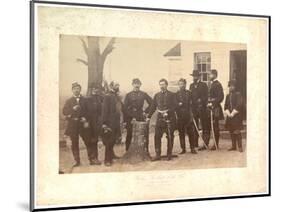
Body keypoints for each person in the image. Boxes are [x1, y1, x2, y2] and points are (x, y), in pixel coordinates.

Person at [62, 82, 91, 167]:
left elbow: (90, 112)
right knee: (74, 143)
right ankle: (77, 161)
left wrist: (86, 119)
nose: (76, 90)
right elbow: (64, 112)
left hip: (83, 124)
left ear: (80, 89)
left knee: (88, 141)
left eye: (78, 88)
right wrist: (72, 109)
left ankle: (91, 159)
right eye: (74, 89)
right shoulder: (69, 101)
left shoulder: (85, 100)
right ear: (72, 90)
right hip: (73, 125)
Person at [147, 79, 177, 161]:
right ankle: (158, 154)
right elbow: (153, 106)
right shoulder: (157, 95)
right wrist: (149, 117)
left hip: (169, 118)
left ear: (166, 85)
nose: (162, 86)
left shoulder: (172, 95)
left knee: (170, 136)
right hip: (160, 118)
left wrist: (168, 112)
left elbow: (175, 106)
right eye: (160, 85)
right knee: (157, 136)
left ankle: (169, 154)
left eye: (163, 84)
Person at [123, 78, 152, 152]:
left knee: (142, 133)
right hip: (130, 117)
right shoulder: (128, 95)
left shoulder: (143, 94)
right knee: (129, 134)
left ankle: (144, 151)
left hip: (140, 116)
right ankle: (128, 151)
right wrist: (129, 118)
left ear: (140, 85)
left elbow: (152, 103)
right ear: (132, 85)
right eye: (135, 84)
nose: (137, 85)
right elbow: (125, 108)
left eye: (138, 84)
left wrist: (145, 111)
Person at [101, 81, 122, 166]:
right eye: (116, 85)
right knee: (109, 141)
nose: (117, 86)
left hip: (116, 122)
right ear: (111, 86)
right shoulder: (108, 96)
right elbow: (104, 110)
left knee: (113, 140)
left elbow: (120, 108)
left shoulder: (116, 96)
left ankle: (112, 155)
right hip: (110, 122)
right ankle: (107, 160)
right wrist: (104, 123)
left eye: (118, 85)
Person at [175, 78, 197, 154]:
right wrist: (178, 104)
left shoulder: (189, 93)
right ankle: (183, 149)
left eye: (182, 84)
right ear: (178, 85)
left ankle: (192, 148)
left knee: (191, 132)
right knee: (181, 133)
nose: (181, 85)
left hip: (188, 115)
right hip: (180, 116)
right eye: (180, 84)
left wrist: (192, 114)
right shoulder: (176, 94)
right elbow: (174, 105)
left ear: (185, 84)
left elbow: (194, 104)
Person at [189, 70, 209, 149]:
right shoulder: (191, 85)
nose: (195, 77)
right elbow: (190, 95)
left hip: (202, 108)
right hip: (194, 109)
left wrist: (201, 100)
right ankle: (195, 143)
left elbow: (206, 95)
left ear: (199, 77)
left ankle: (205, 144)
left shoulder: (203, 85)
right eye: (194, 76)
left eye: (196, 76)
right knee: (194, 125)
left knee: (204, 126)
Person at [206, 69, 224, 150]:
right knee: (209, 125)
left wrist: (213, 103)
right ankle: (208, 143)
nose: (209, 76)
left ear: (215, 75)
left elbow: (221, 97)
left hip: (215, 108)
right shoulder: (211, 84)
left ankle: (216, 144)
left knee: (215, 126)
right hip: (210, 108)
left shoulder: (218, 84)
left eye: (210, 74)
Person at [85, 84, 103, 165]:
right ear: (91, 89)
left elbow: (101, 111)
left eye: (97, 89)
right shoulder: (87, 99)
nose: (95, 90)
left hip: (96, 121)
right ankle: (91, 158)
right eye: (94, 88)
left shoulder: (99, 98)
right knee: (89, 141)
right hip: (89, 122)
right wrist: (86, 121)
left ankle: (95, 158)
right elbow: (84, 110)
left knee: (95, 140)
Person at [224, 80, 244, 152]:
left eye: (232, 86)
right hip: (230, 116)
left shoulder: (238, 94)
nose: (231, 87)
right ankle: (233, 146)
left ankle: (240, 146)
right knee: (231, 131)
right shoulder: (228, 96)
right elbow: (225, 106)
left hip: (237, 116)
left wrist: (233, 113)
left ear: (235, 87)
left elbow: (240, 104)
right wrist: (228, 113)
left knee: (237, 131)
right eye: (230, 86)